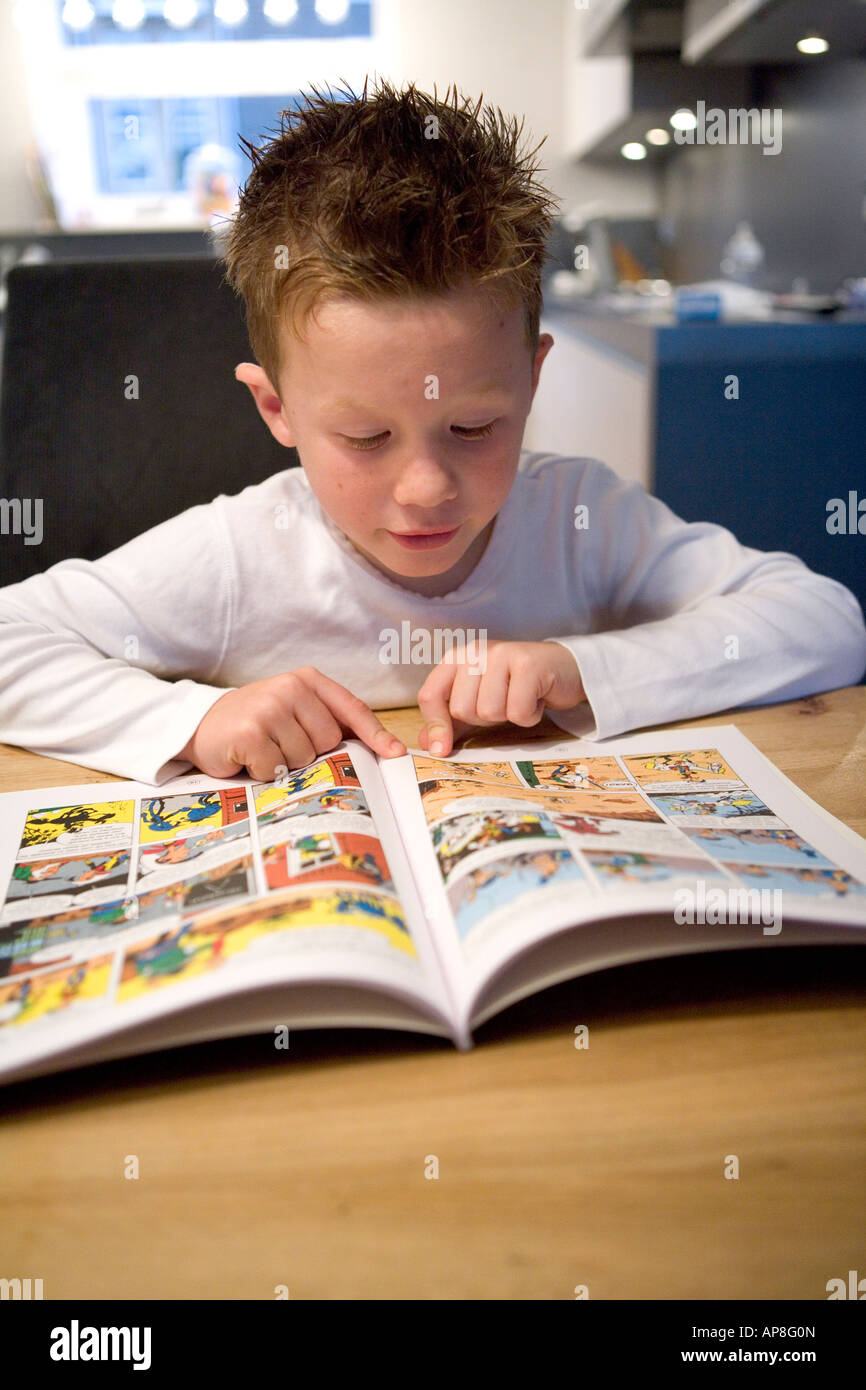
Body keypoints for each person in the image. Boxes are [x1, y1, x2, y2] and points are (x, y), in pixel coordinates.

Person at [1, 80, 864, 789]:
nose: (426, 488)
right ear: (277, 410)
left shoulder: (580, 514)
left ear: (532, 379)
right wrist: (190, 717)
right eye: (367, 437)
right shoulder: (237, 557)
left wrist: (581, 669)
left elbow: (826, 620)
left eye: (474, 425)